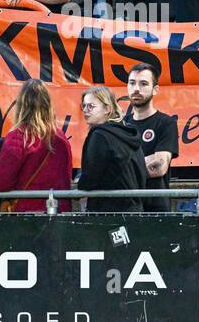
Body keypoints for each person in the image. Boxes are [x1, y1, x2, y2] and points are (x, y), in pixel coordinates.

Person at [0, 79, 74, 213]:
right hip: (59, 212)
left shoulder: (19, 136)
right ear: (48, 104)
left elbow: (1, 183)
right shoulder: (61, 138)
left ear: (21, 105)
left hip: (27, 214)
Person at [76, 86, 146, 213]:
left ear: (107, 109)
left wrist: (80, 187)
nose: (86, 110)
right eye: (84, 106)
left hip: (109, 212)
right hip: (134, 208)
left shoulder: (100, 135)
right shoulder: (127, 132)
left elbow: (90, 178)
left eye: (91, 106)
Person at [124, 63, 178, 214]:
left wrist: (121, 169)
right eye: (132, 83)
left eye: (143, 84)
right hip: (125, 207)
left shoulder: (166, 123)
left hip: (155, 209)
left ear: (155, 89)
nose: (136, 89)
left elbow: (159, 166)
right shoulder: (121, 125)